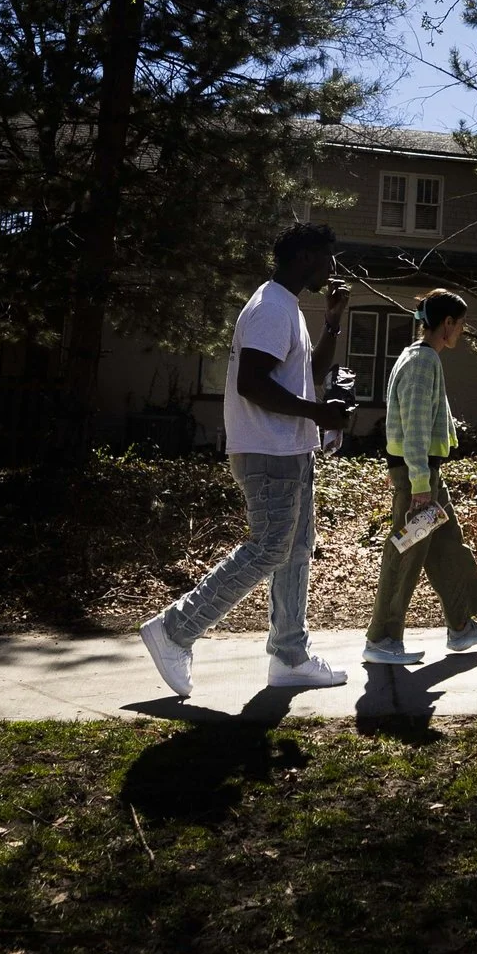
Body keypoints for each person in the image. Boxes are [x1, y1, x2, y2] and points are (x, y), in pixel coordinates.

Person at [139, 224, 355, 696]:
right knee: (270, 549)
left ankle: (289, 656)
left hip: (292, 449)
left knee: (296, 551)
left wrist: (332, 323)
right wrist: (319, 413)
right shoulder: (270, 308)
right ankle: (175, 630)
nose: (331, 268)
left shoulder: (289, 307)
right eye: (326, 257)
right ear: (303, 258)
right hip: (267, 449)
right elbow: (251, 385)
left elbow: (308, 377)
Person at [362, 289, 477, 666]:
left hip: (424, 474)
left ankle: (461, 627)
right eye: (462, 324)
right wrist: (420, 483)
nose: (463, 331)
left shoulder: (419, 357)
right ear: (448, 324)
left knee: (448, 547)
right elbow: (416, 426)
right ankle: (382, 639)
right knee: (405, 554)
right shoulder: (423, 362)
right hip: (418, 477)